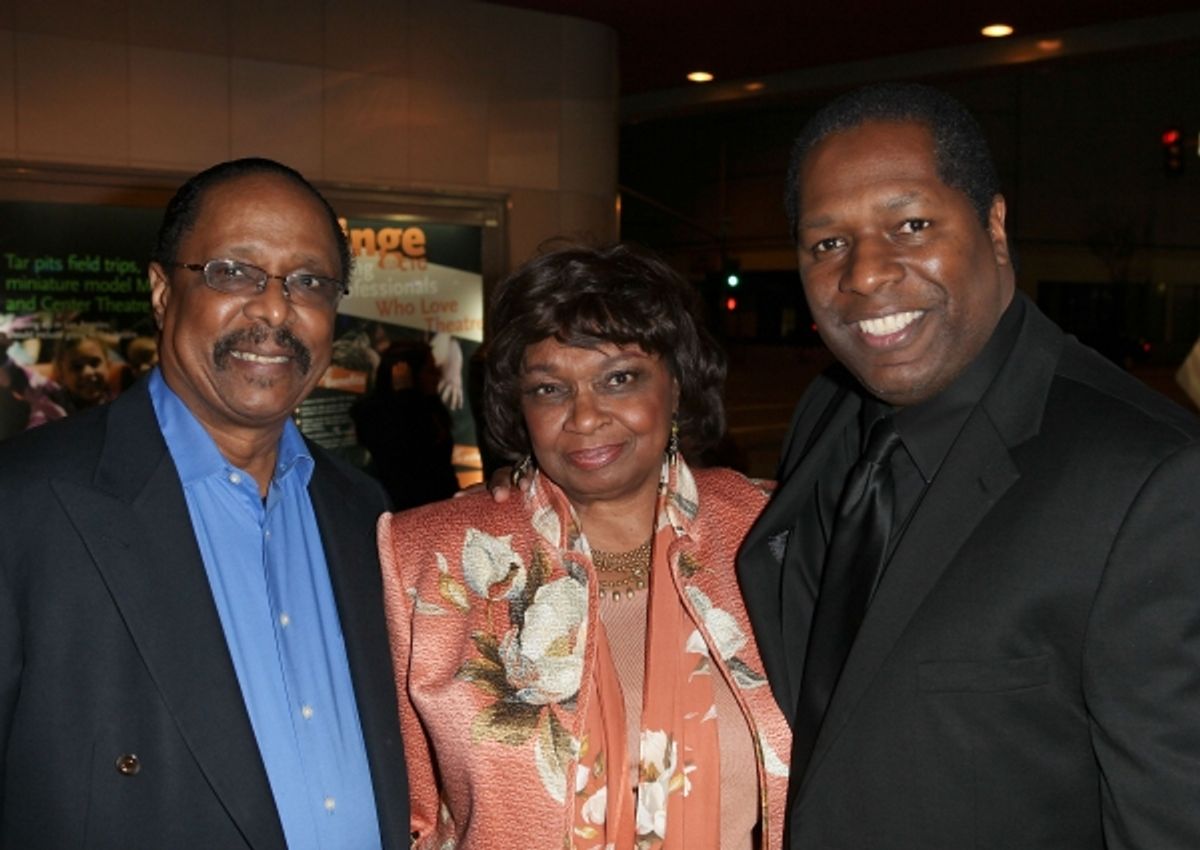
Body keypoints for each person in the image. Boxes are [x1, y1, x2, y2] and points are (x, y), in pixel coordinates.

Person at [735, 82, 1200, 848]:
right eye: (827, 243)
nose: (866, 273)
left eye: (911, 225)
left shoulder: (1151, 482)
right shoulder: (829, 413)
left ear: (994, 225)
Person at [0, 158, 409, 848]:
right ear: (162, 292)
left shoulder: (363, 512)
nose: (275, 309)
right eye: (233, 272)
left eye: (309, 281)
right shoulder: (26, 506)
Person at [378, 244, 791, 849]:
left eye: (619, 378)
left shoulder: (775, 531)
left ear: (675, 387)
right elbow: (405, 815)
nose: (585, 416)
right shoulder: (429, 560)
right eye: (549, 389)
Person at [351, 339, 459, 509]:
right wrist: (406, 396)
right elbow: (409, 452)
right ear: (411, 375)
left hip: (443, 503)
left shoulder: (431, 405)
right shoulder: (374, 413)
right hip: (406, 507)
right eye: (430, 371)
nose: (438, 375)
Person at [52, 334, 115, 413]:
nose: (87, 373)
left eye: (94, 363)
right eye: (77, 367)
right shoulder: (51, 408)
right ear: (62, 375)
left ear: (108, 365)